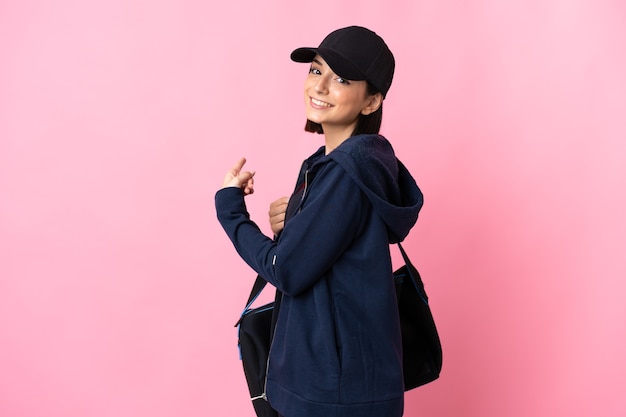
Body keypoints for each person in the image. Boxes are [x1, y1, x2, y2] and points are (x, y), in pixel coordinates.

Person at [216, 26, 423, 417]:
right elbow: (322, 256)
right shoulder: (337, 166)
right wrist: (295, 221)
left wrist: (230, 211)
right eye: (316, 70)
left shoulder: (346, 172)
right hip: (332, 383)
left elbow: (288, 271)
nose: (321, 86)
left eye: (342, 79)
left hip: (332, 394)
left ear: (371, 101)